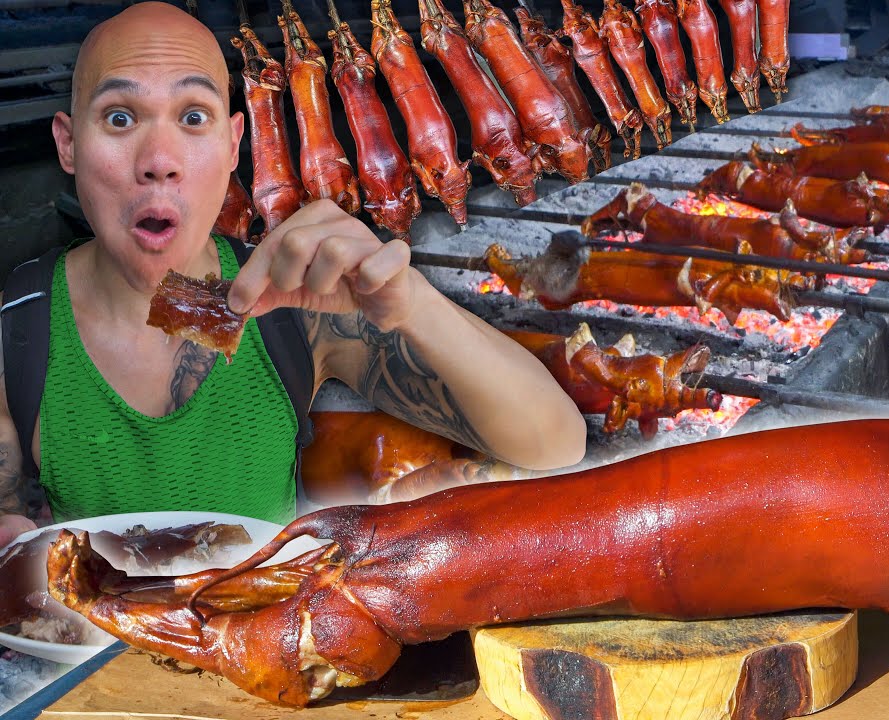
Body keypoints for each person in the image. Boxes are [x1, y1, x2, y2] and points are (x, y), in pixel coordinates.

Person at [0, 2, 586, 547]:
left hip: (269, 647)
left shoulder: (297, 312)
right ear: (69, 144)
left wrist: (414, 304)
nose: (159, 162)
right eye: (121, 117)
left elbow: (555, 445)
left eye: (193, 117)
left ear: (234, 148)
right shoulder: (14, 334)